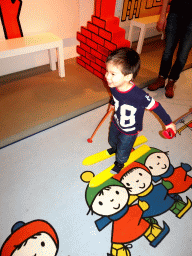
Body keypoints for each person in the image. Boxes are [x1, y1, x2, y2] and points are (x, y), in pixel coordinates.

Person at [105, 47, 176, 174]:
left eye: (113, 74)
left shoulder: (139, 96)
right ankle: (115, 148)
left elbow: (157, 107)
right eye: (107, 72)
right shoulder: (114, 86)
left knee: (123, 150)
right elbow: (115, 98)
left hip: (130, 130)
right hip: (117, 121)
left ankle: (120, 162)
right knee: (112, 139)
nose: (107, 77)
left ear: (128, 77)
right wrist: (112, 104)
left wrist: (168, 123)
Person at [148, 0, 192, 98]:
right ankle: (161, 78)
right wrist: (162, 16)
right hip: (175, 14)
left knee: (183, 55)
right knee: (168, 51)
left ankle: (171, 81)